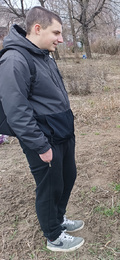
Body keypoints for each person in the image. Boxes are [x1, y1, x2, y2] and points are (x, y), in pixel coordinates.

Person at [0, 7, 84, 252]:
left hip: (62, 131)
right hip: (44, 138)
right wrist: (40, 146)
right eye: (56, 32)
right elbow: (17, 111)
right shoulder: (15, 59)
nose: (60, 38)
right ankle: (53, 236)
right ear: (37, 29)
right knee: (50, 186)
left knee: (68, 177)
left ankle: (58, 219)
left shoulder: (42, 54)